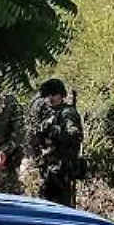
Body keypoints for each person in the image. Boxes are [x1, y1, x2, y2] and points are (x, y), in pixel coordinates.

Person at [27, 78, 84, 207]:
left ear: (61, 95)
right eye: (47, 95)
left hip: (62, 167)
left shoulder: (67, 113)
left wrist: (54, 131)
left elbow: (75, 135)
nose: (50, 98)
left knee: (61, 206)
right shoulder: (48, 113)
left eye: (53, 94)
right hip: (47, 166)